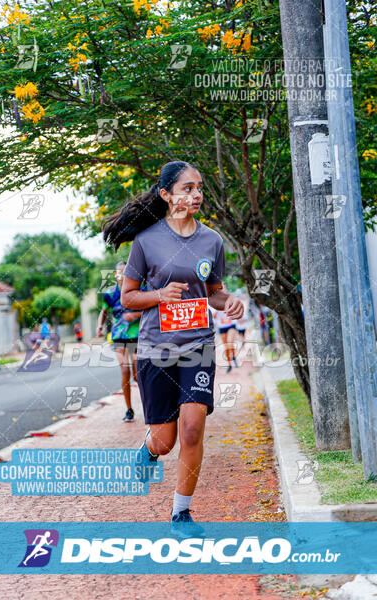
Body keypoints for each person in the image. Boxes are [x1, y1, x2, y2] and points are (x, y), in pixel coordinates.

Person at [102, 160, 244, 537]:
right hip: (156, 349)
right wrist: (159, 295)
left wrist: (228, 302)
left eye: (199, 188)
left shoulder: (212, 241)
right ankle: (148, 448)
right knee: (166, 441)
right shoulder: (147, 242)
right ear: (166, 195)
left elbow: (213, 293)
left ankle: (181, 512)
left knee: (193, 428)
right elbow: (128, 298)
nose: (196, 195)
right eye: (187, 188)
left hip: (198, 344)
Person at [97, 261, 143, 423]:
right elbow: (103, 312)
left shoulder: (139, 291)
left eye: (124, 271)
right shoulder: (110, 294)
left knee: (138, 376)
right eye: (118, 272)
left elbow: (150, 310)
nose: (121, 274)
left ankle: (148, 404)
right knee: (125, 371)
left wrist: (134, 316)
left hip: (137, 336)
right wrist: (99, 326)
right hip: (118, 337)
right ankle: (129, 409)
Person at [211, 283, 238, 373]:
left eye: (223, 288)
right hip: (222, 326)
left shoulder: (231, 298)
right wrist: (218, 310)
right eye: (219, 288)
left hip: (231, 325)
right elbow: (213, 316)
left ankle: (234, 357)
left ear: (226, 289)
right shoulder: (214, 301)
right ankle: (229, 364)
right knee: (226, 347)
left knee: (230, 343)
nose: (221, 289)